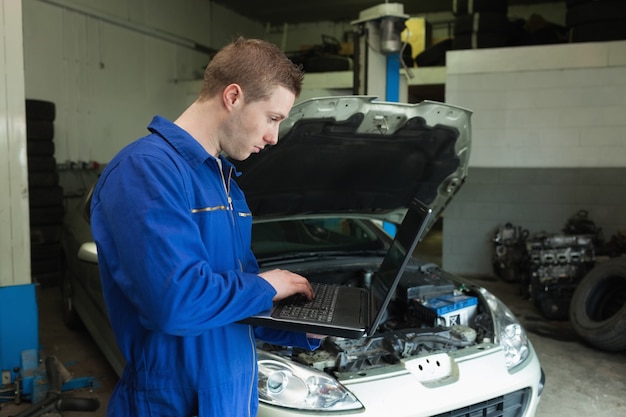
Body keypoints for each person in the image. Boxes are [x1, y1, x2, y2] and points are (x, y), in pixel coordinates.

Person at [90, 37, 321, 417]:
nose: (273, 137)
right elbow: (176, 304)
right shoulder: (146, 170)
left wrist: (307, 329)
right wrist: (267, 284)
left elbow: (239, 301)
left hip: (232, 397)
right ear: (233, 96)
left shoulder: (225, 182)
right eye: (273, 118)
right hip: (172, 403)